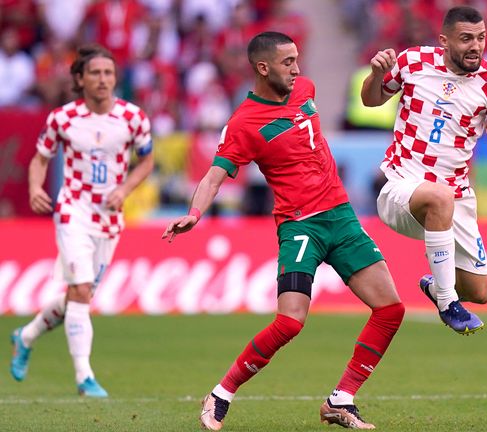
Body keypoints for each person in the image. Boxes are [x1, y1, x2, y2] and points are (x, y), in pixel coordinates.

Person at [162, 32, 404, 431]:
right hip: (300, 226)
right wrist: (194, 212)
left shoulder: (304, 88)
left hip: (341, 218)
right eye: (287, 61)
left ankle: (340, 400)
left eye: (296, 59)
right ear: (263, 68)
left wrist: (377, 74)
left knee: (391, 308)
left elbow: (364, 96)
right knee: (290, 322)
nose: (296, 68)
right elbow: (214, 176)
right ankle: (221, 392)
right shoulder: (243, 123)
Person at [361, 6, 487, 335]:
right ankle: (446, 302)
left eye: (481, 38)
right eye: (466, 39)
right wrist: (376, 76)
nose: (476, 46)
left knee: (479, 292)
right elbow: (371, 101)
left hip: (457, 198)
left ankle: (436, 285)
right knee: (439, 197)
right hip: (402, 186)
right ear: (444, 41)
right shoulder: (412, 62)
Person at [11, 44, 154, 397]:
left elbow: (147, 162)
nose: (103, 79)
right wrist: (33, 187)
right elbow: (39, 158)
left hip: (109, 218)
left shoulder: (133, 118)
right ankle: (84, 377)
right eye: (95, 73)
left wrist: (126, 189)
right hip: (73, 210)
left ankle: (26, 336)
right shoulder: (63, 119)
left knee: (81, 294)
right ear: (80, 78)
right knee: (79, 293)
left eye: (108, 73)